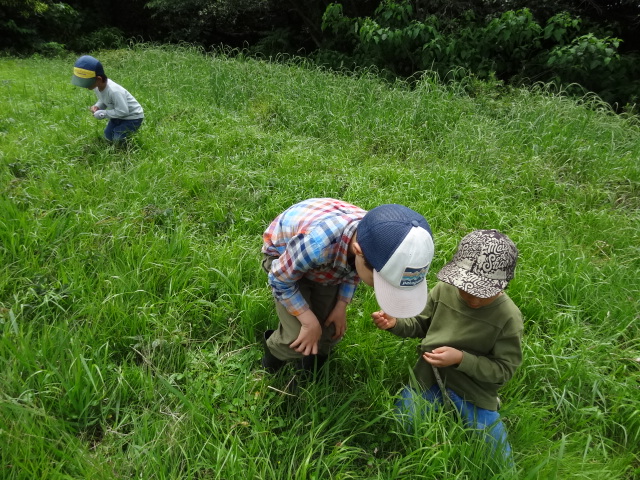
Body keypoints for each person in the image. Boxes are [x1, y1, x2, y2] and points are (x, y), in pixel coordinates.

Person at [372, 229, 522, 464]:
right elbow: (421, 325)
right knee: (404, 423)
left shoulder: (508, 318)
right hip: (428, 377)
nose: (472, 298)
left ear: (502, 285)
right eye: (466, 288)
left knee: (497, 457)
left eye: (483, 293)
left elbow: (503, 371)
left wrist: (461, 359)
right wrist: (395, 323)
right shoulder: (444, 290)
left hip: (473, 391)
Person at [261, 198, 435, 375]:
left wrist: (341, 304)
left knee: (329, 329)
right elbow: (279, 279)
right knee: (297, 334)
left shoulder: (377, 240)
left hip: (328, 268)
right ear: (358, 252)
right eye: (381, 283)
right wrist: (308, 321)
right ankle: (270, 367)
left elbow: (354, 270)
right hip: (286, 262)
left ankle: (311, 369)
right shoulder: (316, 244)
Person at [71, 55, 144, 144]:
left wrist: (103, 113)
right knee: (108, 135)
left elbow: (124, 111)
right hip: (117, 114)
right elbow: (104, 99)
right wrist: (98, 106)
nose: (86, 87)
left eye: (87, 83)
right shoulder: (97, 87)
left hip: (132, 117)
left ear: (98, 79)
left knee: (118, 138)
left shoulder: (114, 91)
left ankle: (125, 150)